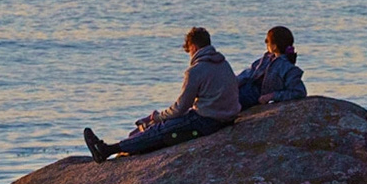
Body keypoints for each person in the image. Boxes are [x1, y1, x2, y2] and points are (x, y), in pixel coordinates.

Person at [83, 27, 240, 162]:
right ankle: (119, 148)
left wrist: (158, 117)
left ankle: (107, 150)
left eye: (189, 51)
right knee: (164, 128)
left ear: (193, 47)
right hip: (227, 117)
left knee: (159, 130)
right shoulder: (223, 63)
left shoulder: (195, 71)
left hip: (207, 120)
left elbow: (180, 108)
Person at [236, 26, 307, 109]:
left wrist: (272, 96)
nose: (265, 42)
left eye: (267, 40)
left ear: (274, 46)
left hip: (252, 97)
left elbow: (299, 92)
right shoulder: (266, 59)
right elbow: (248, 73)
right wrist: (233, 83)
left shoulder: (289, 68)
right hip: (244, 89)